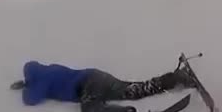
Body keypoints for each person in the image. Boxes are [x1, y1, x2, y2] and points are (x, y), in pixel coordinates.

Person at [11, 61, 195, 112]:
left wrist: (26, 87)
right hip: (97, 77)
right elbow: (37, 83)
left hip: (87, 85)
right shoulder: (49, 70)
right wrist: (26, 82)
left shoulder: (43, 79)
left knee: (90, 108)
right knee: (134, 89)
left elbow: (30, 99)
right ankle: (175, 78)